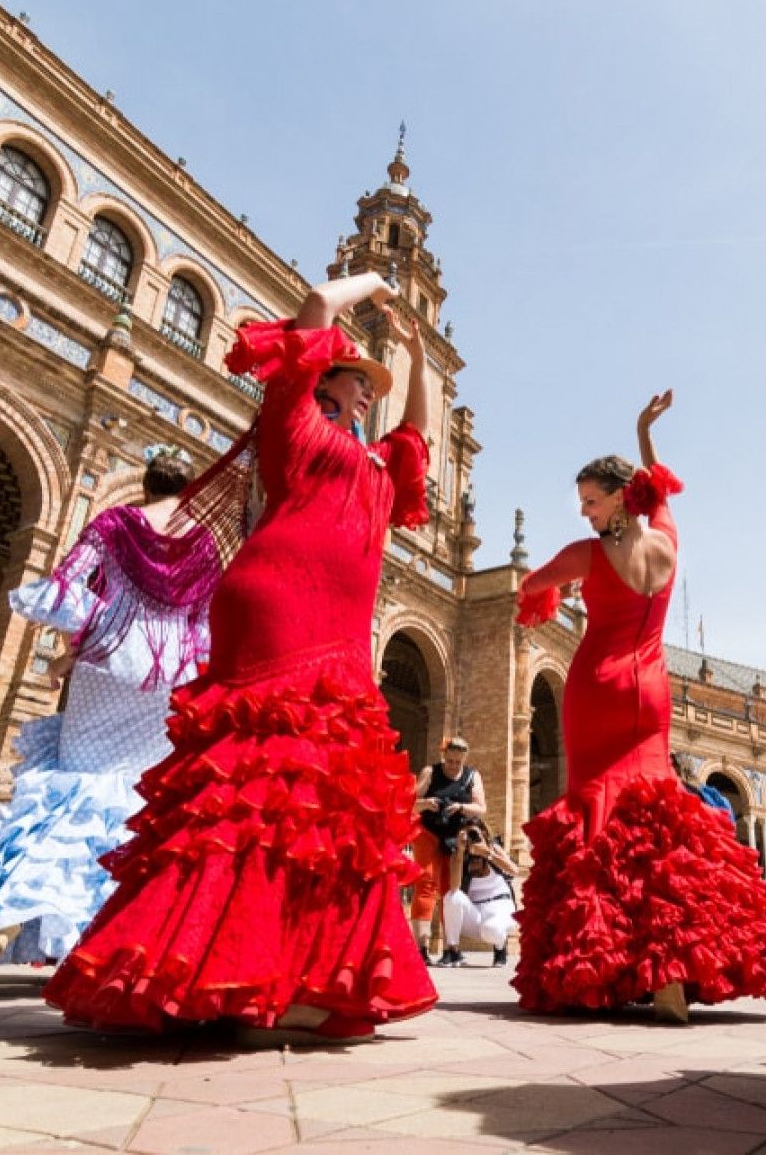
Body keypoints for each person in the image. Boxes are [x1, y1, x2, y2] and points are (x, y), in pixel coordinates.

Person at [45, 270, 438, 1043]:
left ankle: (286, 969)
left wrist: (420, 356)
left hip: (342, 623)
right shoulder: (291, 424)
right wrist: (378, 286)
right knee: (254, 781)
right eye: (358, 380)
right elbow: (319, 307)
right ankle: (187, 964)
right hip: (277, 600)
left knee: (326, 792)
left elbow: (417, 435)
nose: (367, 395)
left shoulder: (377, 468)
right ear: (323, 376)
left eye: (369, 387)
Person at [513, 391, 766, 1023]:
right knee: (660, 818)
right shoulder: (665, 543)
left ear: (616, 499)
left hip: (596, 686)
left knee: (599, 817)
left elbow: (531, 588)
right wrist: (644, 432)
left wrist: (542, 603)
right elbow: (660, 491)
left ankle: (601, 963)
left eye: (590, 500)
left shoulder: (586, 555)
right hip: (652, 689)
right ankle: (670, 976)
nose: (584, 512)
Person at [0, 451, 218, 995]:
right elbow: (204, 624)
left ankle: (4, 916)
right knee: (134, 804)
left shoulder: (116, 523)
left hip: (108, 665)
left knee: (71, 792)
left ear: (147, 485)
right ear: (188, 488)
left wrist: (72, 653)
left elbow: (72, 584)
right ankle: (98, 939)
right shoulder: (203, 546)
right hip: (166, 678)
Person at [410, 736, 486, 963]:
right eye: (450, 761)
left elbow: (481, 808)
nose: (453, 766)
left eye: (457, 762)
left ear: (464, 759)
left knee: (450, 892)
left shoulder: (473, 776)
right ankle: (421, 948)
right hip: (427, 833)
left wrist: (461, 807)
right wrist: (427, 803)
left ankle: (450, 949)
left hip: (454, 837)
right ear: (444, 756)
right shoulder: (430, 772)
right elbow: (409, 801)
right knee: (425, 884)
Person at [438, 821, 517, 968]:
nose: (471, 838)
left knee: (492, 929)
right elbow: (455, 887)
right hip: (476, 912)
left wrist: (488, 854)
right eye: (468, 834)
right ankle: (453, 950)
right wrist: (460, 852)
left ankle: (500, 948)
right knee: (451, 896)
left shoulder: (493, 848)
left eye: (474, 833)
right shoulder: (459, 855)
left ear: (484, 834)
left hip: (500, 907)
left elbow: (514, 871)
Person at [669, 751, 736, 827]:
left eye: (672, 765)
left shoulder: (694, 791)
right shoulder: (709, 793)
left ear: (679, 768)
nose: (670, 769)